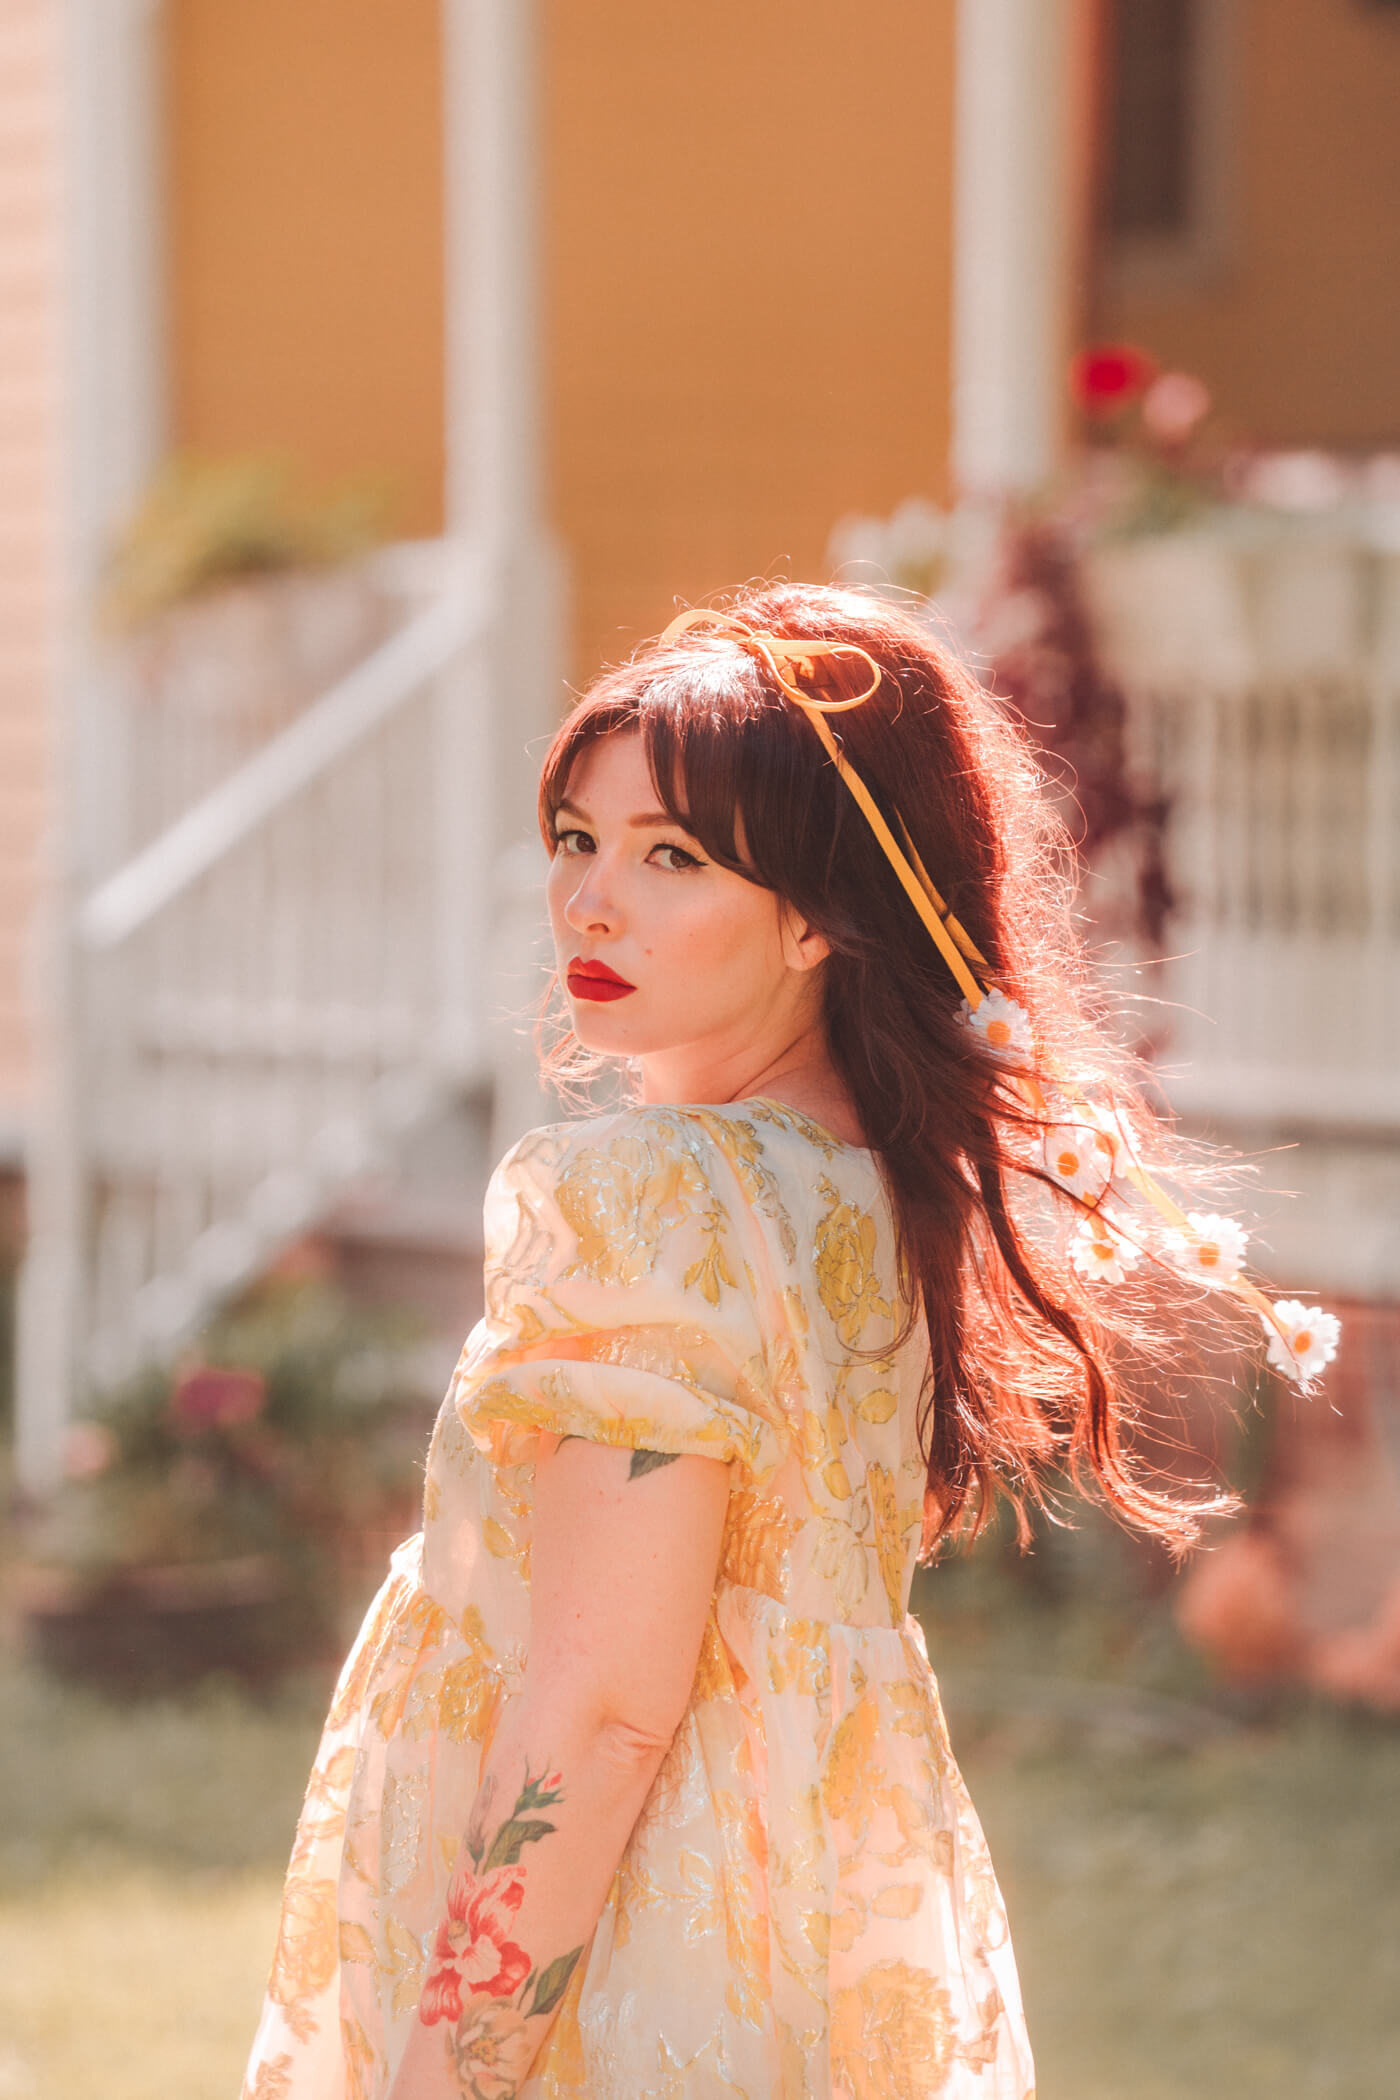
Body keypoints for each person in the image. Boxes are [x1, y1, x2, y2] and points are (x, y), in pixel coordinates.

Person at [241, 582, 1338, 2100]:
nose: (592, 903)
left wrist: (448, 2071)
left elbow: (609, 1712)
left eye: (673, 857)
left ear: (820, 913)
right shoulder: (877, 1194)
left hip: (626, 1943)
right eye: (578, 839)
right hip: (830, 1908)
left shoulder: (650, 1197)